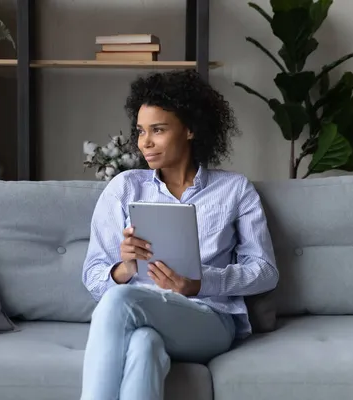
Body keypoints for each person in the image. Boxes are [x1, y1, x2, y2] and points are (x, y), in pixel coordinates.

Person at [80, 70, 279, 400]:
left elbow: (265, 272)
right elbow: (93, 277)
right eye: (141, 131)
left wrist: (200, 283)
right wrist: (126, 269)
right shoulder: (124, 188)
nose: (145, 142)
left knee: (119, 300)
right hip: (141, 311)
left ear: (190, 129)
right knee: (144, 344)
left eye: (157, 130)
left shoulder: (234, 189)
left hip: (209, 319)